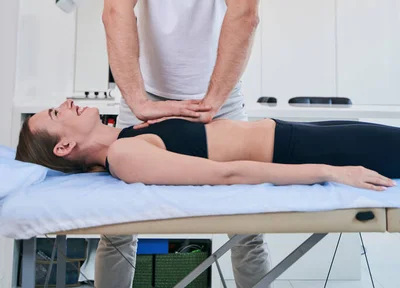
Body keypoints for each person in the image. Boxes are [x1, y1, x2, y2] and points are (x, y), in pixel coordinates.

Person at [97, 0, 271, 288]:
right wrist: (137, 101)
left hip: (219, 100)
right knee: (118, 227)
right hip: (145, 95)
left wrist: (213, 99)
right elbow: (117, 10)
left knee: (247, 226)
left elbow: (244, 12)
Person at [16, 98, 398, 192]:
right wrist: (330, 171)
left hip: (298, 135)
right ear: (64, 147)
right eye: (55, 113)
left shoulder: (128, 135)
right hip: (304, 152)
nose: (66, 103)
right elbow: (227, 173)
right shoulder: (124, 155)